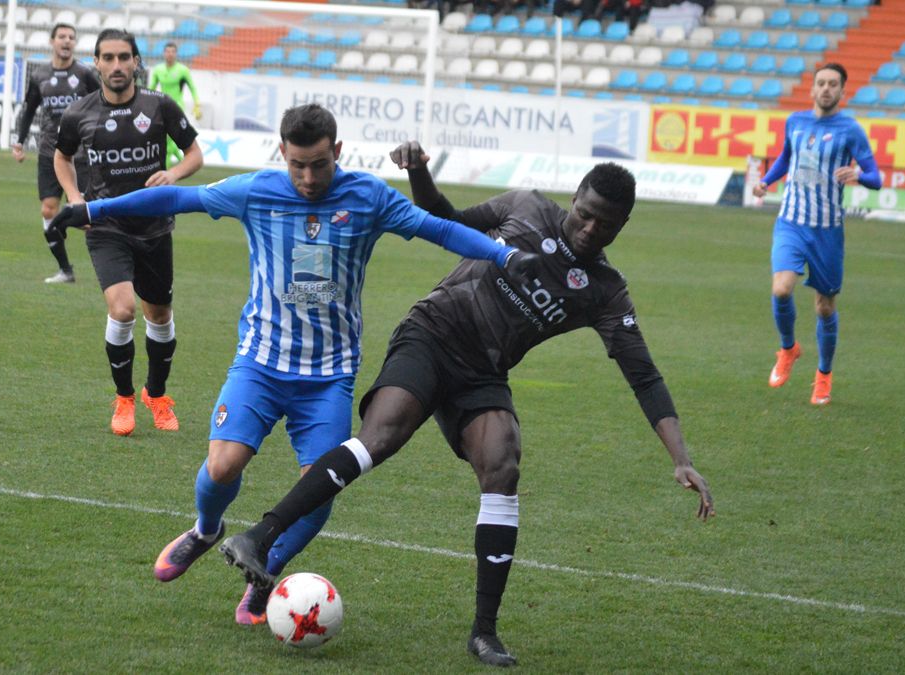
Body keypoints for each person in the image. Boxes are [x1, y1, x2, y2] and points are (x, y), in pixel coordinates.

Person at [217, 144, 715, 667]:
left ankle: (484, 631)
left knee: (503, 462)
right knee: (382, 435)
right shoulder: (525, 206)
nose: (590, 229)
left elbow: (644, 375)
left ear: (623, 225)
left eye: (606, 225)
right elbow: (447, 218)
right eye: (585, 214)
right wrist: (420, 172)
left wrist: (679, 457)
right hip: (431, 334)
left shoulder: (606, 291)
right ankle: (259, 536)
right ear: (575, 198)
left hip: (482, 373)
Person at [48, 103, 538, 627]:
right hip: (260, 363)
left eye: (320, 164)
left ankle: (266, 565)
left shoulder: (368, 197)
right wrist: (95, 210)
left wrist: (503, 256)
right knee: (222, 466)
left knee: (319, 487)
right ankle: (205, 530)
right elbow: (176, 197)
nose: (308, 177)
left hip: (328, 375)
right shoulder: (258, 190)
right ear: (282, 153)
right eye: (298, 165)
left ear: (339, 152)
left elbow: (436, 229)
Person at [53, 29, 204, 435]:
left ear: (136, 61)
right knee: (122, 309)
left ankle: (156, 394)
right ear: (96, 62)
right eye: (108, 58)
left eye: (124, 57)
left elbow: (195, 154)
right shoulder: (78, 113)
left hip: (154, 228)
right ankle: (124, 399)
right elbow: (61, 157)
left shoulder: (160, 106)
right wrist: (75, 198)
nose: (117, 66)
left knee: (159, 315)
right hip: (106, 227)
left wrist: (172, 173)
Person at [751, 63, 880, 405]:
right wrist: (766, 181)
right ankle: (788, 348)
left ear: (842, 91)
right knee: (781, 288)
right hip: (791, 222)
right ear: (812, 89)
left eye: (832, 84)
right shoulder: (795, 122)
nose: (826, 89)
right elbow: (784, 159)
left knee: (824, 307)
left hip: (827, 231)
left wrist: (858, 174)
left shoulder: (850, 130)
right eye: (821, 83)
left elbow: (876, 177)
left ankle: (823, 376)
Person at [12, 23, 101, 284]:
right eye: (62, 37)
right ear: (52, 41)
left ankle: (114, 261)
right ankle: (65, 270)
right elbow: (29, 110)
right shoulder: (39, 76)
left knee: (87, 218)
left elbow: (103, 104)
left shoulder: (85, 74)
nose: (67, 41)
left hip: (82, 156)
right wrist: (19, 141)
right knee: (48, 209)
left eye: (72, 37)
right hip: (50, 152)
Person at [147, 42, 200, 167]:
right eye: (167, 51)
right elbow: (151, 89)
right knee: (167, 139)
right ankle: (184, 160)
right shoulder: (158, 70)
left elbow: (193, 88)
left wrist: (196, 104)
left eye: (172, 52)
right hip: (162, 107)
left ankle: (166, 172)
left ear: (176, 54)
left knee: (168, 140)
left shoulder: (182, 70)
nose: (170, 54)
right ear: (164, 53)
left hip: (177, 107)